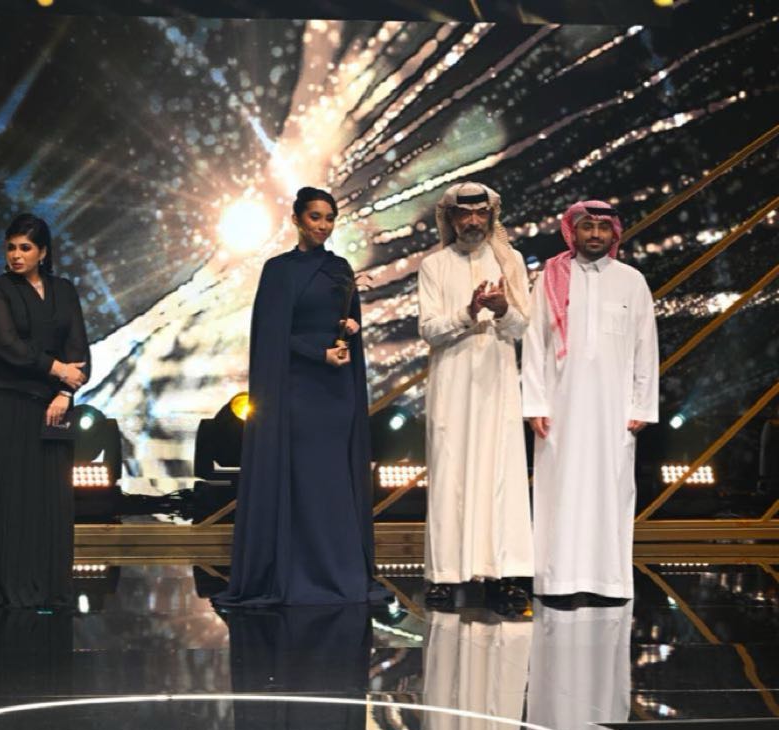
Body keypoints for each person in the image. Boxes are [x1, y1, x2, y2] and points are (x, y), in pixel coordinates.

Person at [216, 187, 390, 607]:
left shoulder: (339, 268)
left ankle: (340, 572)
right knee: (304, 480)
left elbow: (347, 322)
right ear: (296, 219)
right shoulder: (279, 270)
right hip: (298, 391)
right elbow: (272, 336)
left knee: (333, 481)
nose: (323, 226)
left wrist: (350, 330)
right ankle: (298, 574)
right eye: (315, 217)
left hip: (336, 393)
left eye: (330, 218)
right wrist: (318, 353)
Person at [522, 200, 658, 600]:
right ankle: (557, 581)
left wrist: (641, 404)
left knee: (611, 490)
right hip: (559, 407)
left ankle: (608, 582)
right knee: (559, 490)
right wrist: (535, 404)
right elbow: (534, 343)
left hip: (614, 410)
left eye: (602, 227)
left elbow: (645, 346)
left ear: (614, 233)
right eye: (587, 226)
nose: (595, 234)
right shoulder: (549, 279)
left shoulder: (631, 281)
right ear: (573, 231)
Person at [0, 213, 90, 608]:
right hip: (3, 401)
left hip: (51, 404)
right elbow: (5, 345)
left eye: (25, 248)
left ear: (43, 252)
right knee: (6, 493)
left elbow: (79, 349)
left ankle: (45, 582)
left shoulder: (64, 290)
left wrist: (65, 393)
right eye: (11, 247)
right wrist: (58, 370)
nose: (16, 255)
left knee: (46, 496)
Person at [417, 182, 534, 609]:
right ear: (450, 218)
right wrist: (468, 313)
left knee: (500, 475)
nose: (472, 221)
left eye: (480, 214)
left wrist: (502, 310)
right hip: (451, 384)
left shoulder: (510, 261)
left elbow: (523, 326)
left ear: (490, 216)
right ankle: (444, 577)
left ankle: (502, 575)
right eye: (464, 214)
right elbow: (429, 330)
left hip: (497, 384)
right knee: (450, 475)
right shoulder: (434, 265)